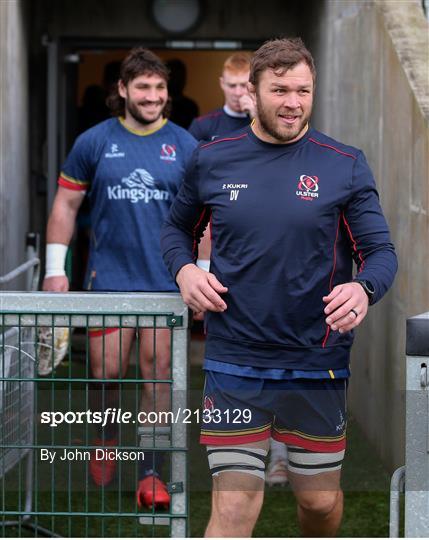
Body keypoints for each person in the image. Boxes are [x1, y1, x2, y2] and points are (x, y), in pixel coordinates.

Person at [161, 37, 397, 536]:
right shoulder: (211, 160)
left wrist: (364, 290)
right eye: (280, 90)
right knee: (235, 506)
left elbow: (379, 253)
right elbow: (176, 230)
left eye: (303, 91)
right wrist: (184, 270)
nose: (293, 102)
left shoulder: (343, 164)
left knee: (317, 502)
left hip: (317, 360)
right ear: (251, 91)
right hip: (235, 359)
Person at [42, 47, 197, 509]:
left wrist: (201, 278)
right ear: (123, 90)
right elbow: (65, 205)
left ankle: (151, 471)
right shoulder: (93, 141)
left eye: (159, 87)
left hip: (165, 284)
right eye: (143, 87)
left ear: (168, 93)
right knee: (106, 373)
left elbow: (205, 217)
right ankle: (106, 439)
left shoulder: (186, 146)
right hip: (108, 281)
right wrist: (55, 271)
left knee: (158, 379)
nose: (152, 96)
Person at [166, 58, 199, 129]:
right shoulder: (158, 104)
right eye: (174, 76)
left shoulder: (190, 106)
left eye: (180, 76)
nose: (177, 80)